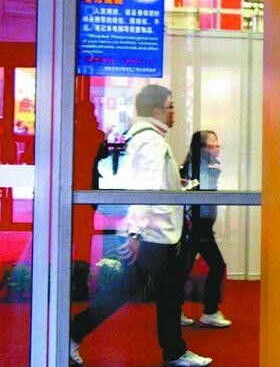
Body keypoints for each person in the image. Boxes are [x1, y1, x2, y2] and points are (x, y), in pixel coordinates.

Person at [69, 84, 212, 367]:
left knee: (148, 291)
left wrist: (174, 183)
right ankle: (173, 352)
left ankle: (173, 352)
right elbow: (146, 188)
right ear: (157, 110)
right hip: (156, 233)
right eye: (171, 106)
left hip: (153, 231)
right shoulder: (152, 141)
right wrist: (135, 232)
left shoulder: (140, 136)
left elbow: (147, 182)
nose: (174, 112)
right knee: (157, 293)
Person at [179, 130, 231, 328]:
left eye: (217, 142)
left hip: (201, 225)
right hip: (196, 226)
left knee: (184, 269)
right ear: (201, 148)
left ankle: (186, 310)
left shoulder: (208, 167)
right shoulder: (197, 168)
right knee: (216, 265)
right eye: (212, 142)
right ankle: (209, 311)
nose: (217, 146)